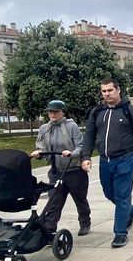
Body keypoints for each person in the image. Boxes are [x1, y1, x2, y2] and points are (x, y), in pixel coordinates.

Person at [81, 78, 133, 248]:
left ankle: (120, 233)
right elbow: (89, 134)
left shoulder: (130, 111)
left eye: (110, 90)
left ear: (118, 90)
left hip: (126, 158)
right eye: (104, 91)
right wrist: (86, 157)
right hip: (106, 160)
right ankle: (131, 211)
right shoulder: (97, 112)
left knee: (122, 195)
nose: (107, 94)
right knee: (108, 193)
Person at [31, 100, 91, 236]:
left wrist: (72, 153)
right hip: (56, 172)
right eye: (50, 111)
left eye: (56, 111)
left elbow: (80, 146)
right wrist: (38, 153)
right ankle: (49, 230)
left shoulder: (71, 126)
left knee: (80, 199)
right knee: (54, 202)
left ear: (63, 112)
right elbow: (41, 146)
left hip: (74, 171)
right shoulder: (44, 128)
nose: (52, 114)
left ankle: (85, 223)